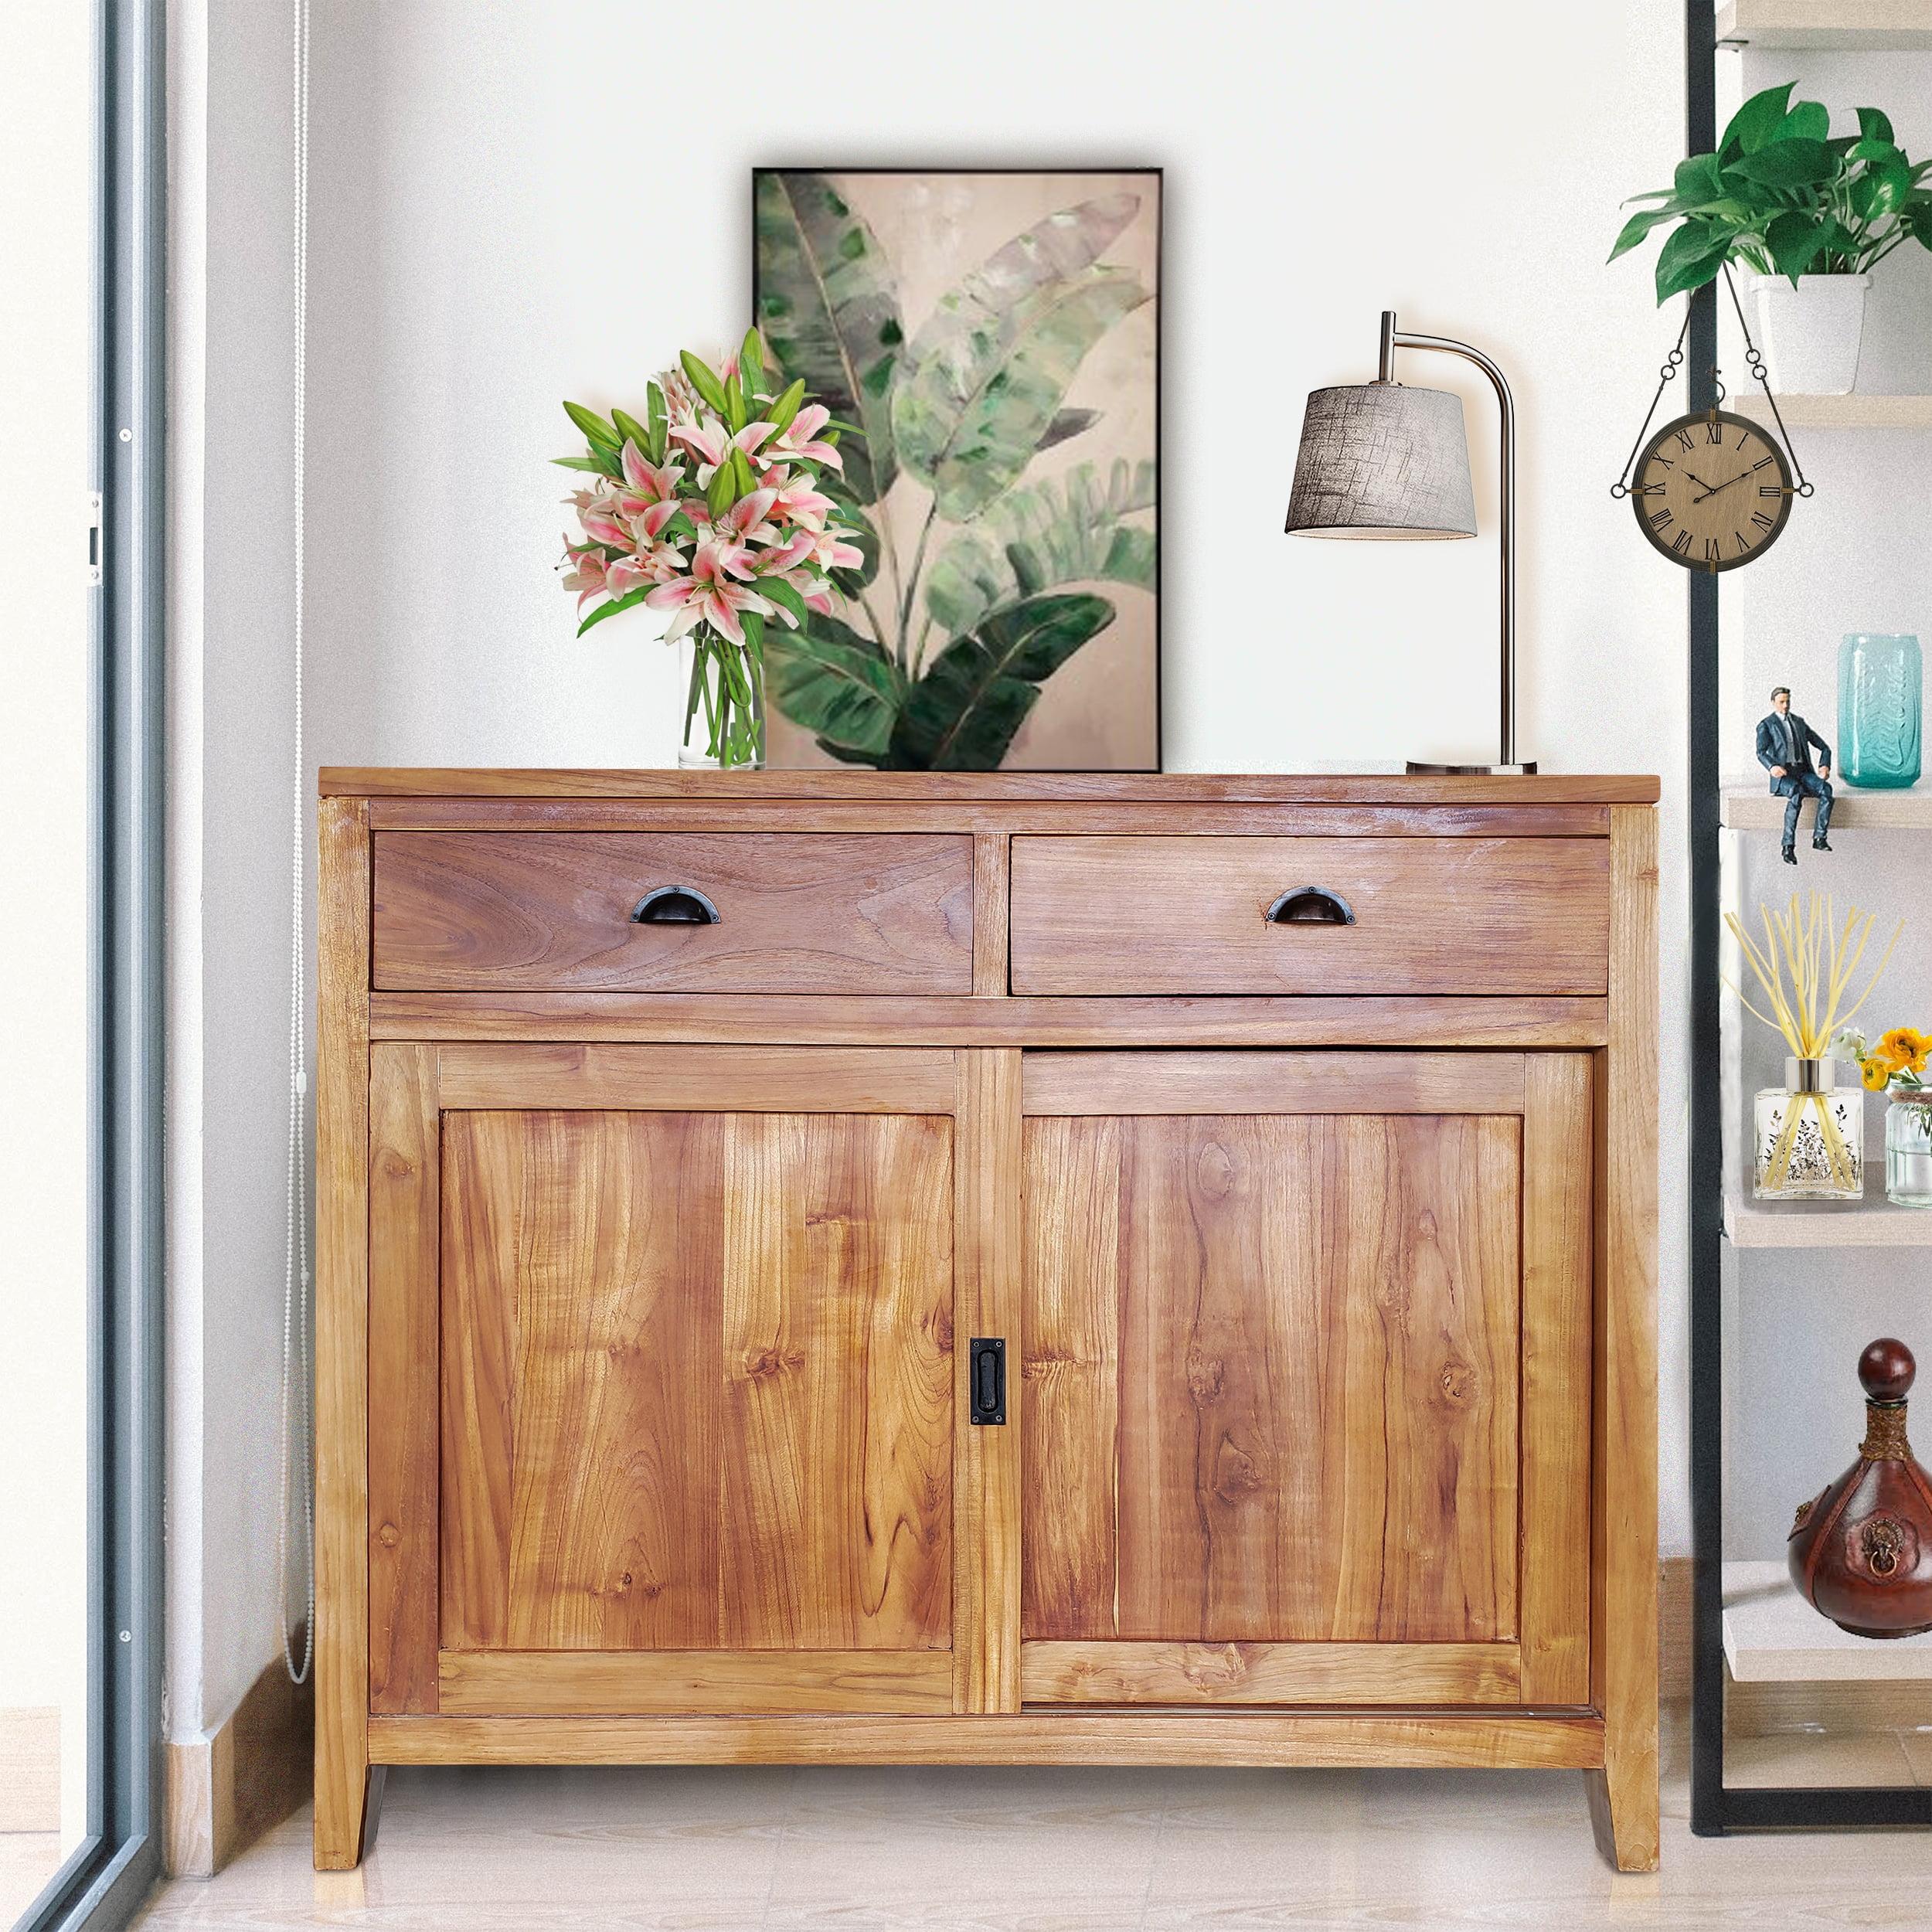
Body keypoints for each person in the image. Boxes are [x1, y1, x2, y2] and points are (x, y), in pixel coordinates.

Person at [1755, 685, 1833, 864]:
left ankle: (1820, 837)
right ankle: (1788, 846)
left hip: (1803, 771)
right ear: (1773, 703)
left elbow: (1824, 747)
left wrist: (1824, 766)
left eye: (1787, 701)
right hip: (1784, 775)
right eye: (1781, 702)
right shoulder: (1767, 725)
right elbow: (1760, 752)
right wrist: (1772, 766)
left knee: (1826, 790)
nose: (1785, 705)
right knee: (1796, 794)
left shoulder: (1799, 722)